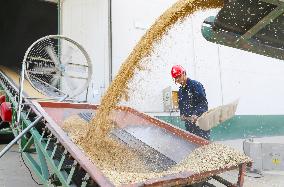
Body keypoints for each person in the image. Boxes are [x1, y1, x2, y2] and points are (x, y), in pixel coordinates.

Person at [171, 65, 210, 140]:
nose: (178, 79)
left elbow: (202, 103)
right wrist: (182, 114)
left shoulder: (195, 85)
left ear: (184, 73)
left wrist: (196, 114)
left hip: (200, 122)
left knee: (203, 145)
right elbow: (182, 105)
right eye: (176, 78)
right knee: (191, 145)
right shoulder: (180, 91)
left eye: (179, 76)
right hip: (189, 125)